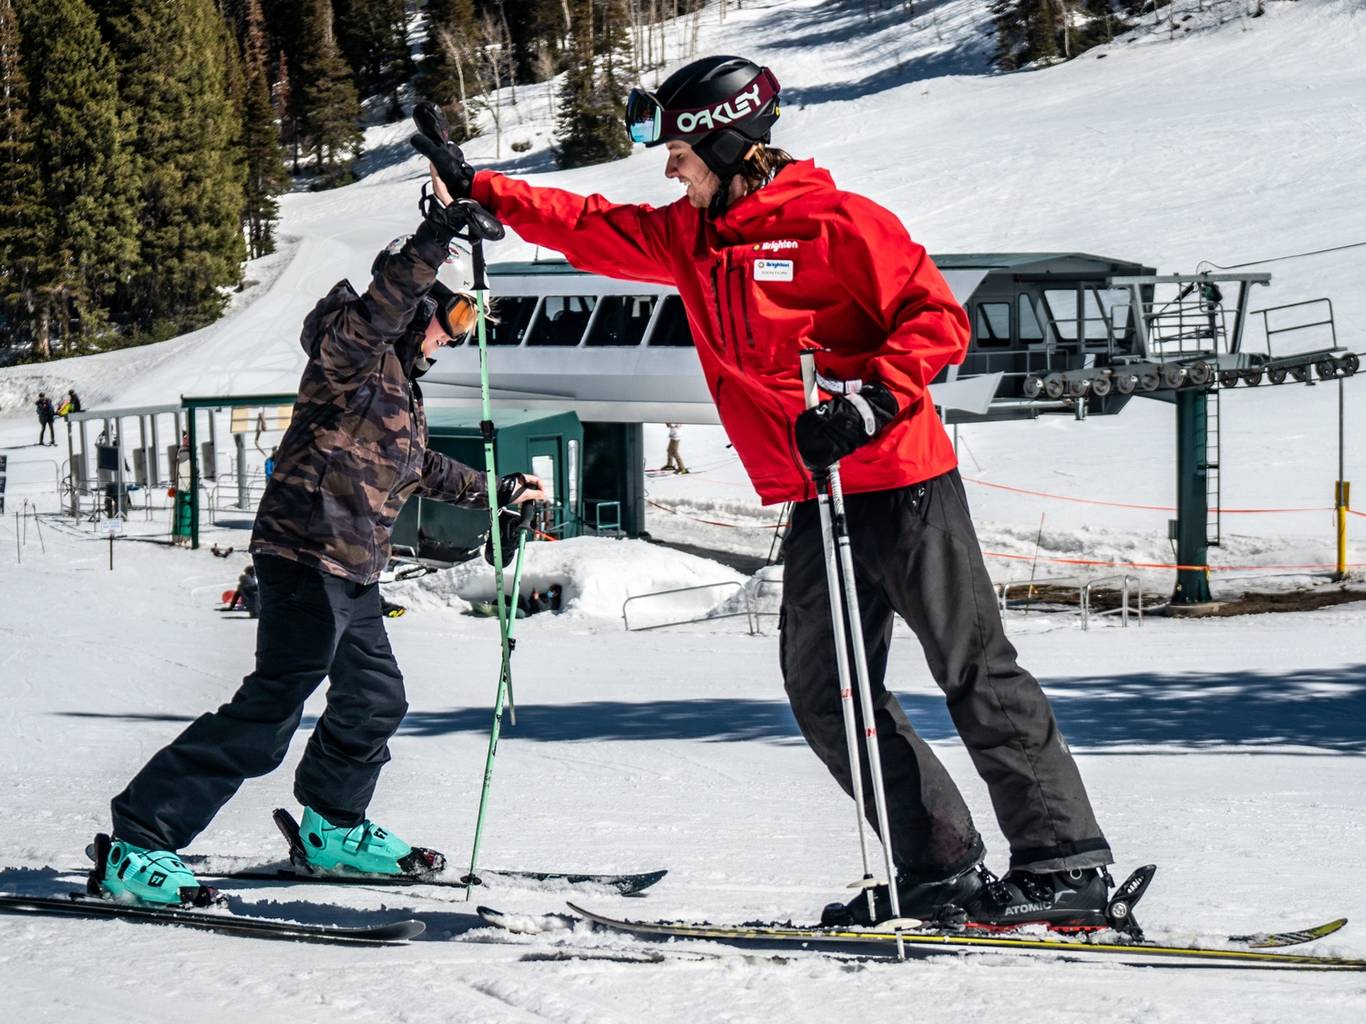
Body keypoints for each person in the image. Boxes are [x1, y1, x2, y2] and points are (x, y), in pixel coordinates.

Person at [451, 55, 1114, 929]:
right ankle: (939, 865)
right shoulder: (693, 237)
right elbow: (589, 224)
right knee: (825, 686)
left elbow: (937, 319)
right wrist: (481, 188)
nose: (669, 167)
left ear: (724, 138)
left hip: (903, 481)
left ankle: (1064, 866)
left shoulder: (835, 223)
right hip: (818, 495)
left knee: (971, 668)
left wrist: (870, 400)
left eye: (680, 151)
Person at [94, 158, 546, 906]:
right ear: (415, 305)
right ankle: (139, 842)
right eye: (452, 317)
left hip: (355, 568)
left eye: (467, 323)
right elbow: (380, 307)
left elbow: (414, 465)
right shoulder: (353, 353)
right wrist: (434, 235)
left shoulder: (398, 386)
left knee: (375, 700)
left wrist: (493, 490)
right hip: (304, 553)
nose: (452, 337)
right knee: (274, 706)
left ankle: (333, 828)